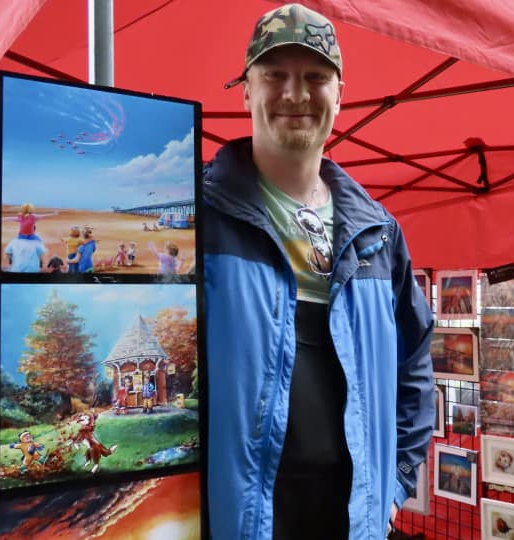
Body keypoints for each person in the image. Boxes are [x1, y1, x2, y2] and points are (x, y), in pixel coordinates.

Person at [204, 4, 434, 539]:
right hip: (236, 520)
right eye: (274, 75)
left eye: (314, 78)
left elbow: (415, 361)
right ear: (245, 90)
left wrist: (396, 483)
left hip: (350, 521)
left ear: (340, 93)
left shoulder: (378, 233)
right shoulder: (198, 215)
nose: (294, 94)